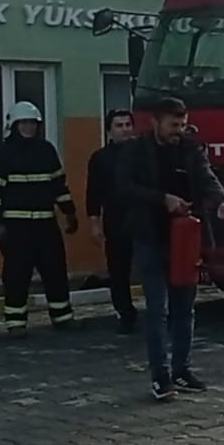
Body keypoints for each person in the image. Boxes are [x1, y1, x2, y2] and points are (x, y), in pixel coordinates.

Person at [113, 97, 224, 400]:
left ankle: (182, 370)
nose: (178, 131)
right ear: (155, 122)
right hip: (149, 236)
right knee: (157, 309)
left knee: (185, 308)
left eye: (182, 125)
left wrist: (221, 202)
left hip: (186, 239)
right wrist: (162, 199)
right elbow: (123, 187)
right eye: (172, 125)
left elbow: (208, 178)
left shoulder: (192, 149)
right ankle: (161, 377)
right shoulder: (135, 150)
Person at [0, 101, 80, 337]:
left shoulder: (46, 150)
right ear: (13, 125)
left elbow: (59, 185)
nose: (28, 127)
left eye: (32, 123)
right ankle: (16, 322)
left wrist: (70, 212)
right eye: (23, 122)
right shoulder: (2, 154)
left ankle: (62, 317)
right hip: (16, 227)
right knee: (16, 274)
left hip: (46, 224)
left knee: (55, 271)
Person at [86, 108, 138, 333]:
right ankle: (126, 314)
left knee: (154, 267)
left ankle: (162, 312)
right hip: (116, 221)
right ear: (109, 130)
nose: (125, 130)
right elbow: (93, 192)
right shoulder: (100, 158)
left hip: (145, 218)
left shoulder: (143, 153)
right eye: (119, 125)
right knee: (119, 271)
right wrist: (94, 222)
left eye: (128, 124)